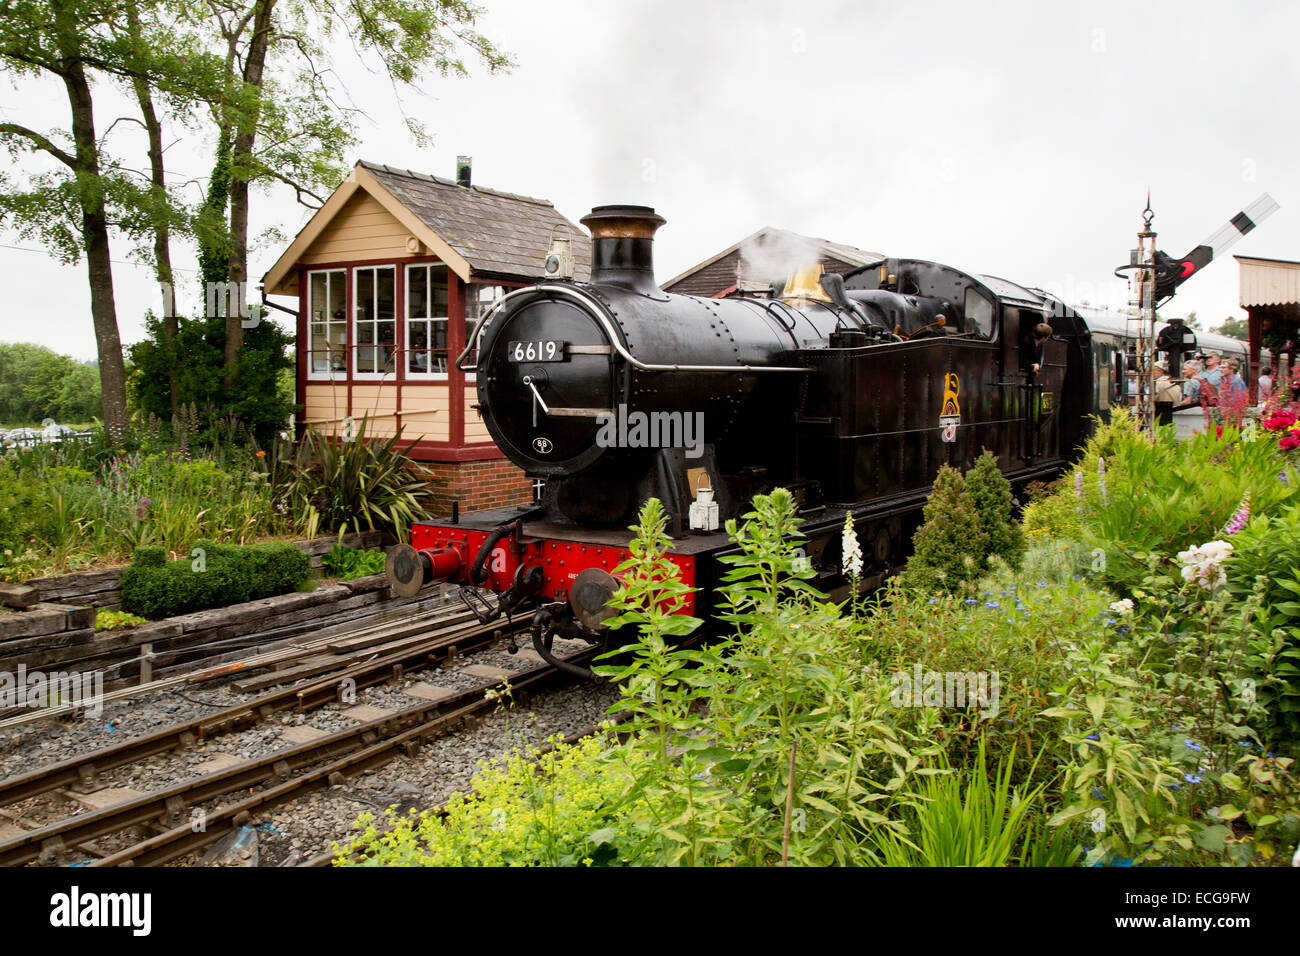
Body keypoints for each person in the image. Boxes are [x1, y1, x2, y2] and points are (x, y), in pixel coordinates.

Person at [1154, 362, 1180, 426]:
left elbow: (1150, 399)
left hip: (1159, 415)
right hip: (1174, 415)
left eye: (1154, 370)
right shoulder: (1175, 384)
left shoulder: (1156, 384)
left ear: (1161, 371)